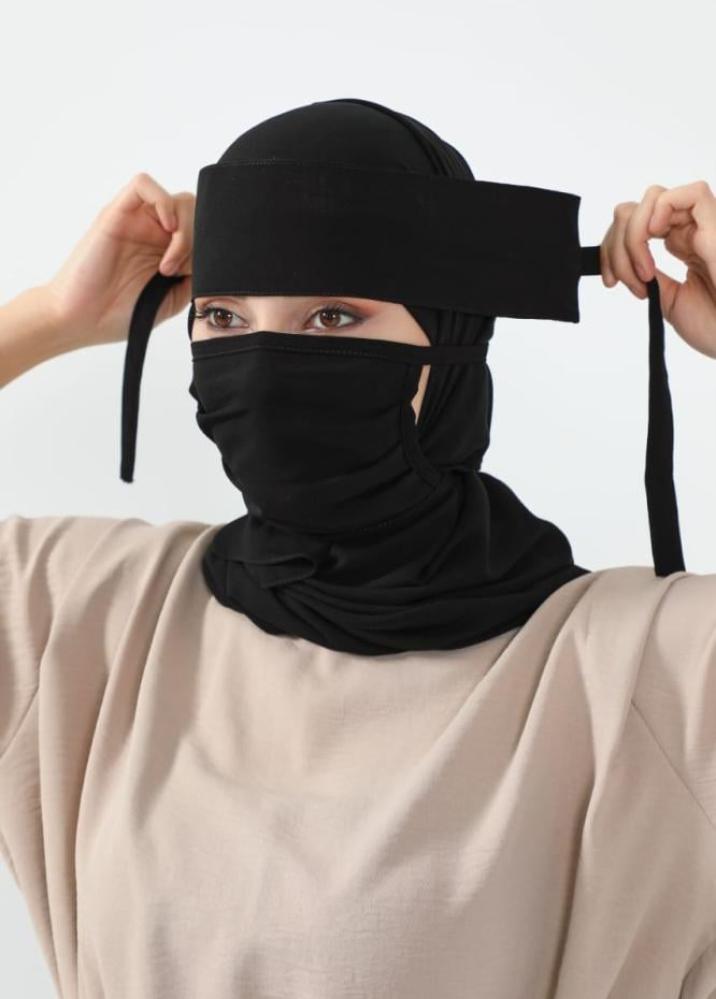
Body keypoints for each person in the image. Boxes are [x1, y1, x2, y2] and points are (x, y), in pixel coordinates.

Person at [2, 118, 716, 998]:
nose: (264, 365)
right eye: (224, 316)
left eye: (333, 315)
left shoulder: (645, 671)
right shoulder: (91, 615)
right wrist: (53, 316)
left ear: (450, 344)